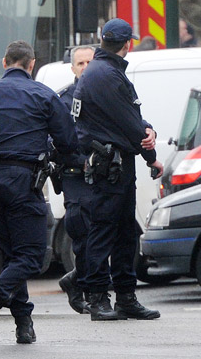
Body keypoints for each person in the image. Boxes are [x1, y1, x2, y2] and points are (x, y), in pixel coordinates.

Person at [0, 40, 78, 344]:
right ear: (31, 64)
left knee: (12, 254)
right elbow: (68, 142)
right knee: (33, 256)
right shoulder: (44, 95)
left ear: (4, 62)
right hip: (24, 181)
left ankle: (24, 324)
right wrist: (64, 164)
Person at [71, 18, 163, 321]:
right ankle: (98, 299)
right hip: (112, 166)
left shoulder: (99, 73)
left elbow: (127, 119)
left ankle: (125, 297)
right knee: (104, 232)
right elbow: (128, 122)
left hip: (113, 164)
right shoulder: (108, 75)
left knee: (123, 232)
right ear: (127, 44)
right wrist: (152, 156)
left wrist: (145, 129)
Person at [56, 46, 94, 314]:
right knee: (83, 234)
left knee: (101, 234)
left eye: (90, 62)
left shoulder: (105, 92)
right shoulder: (63, 100)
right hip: (75, 175)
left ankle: (76, 280)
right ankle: (89, 291)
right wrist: (80, 160)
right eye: (80, 63)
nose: (85, 67)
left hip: (101, 174)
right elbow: (54, 141)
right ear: (73, 68)